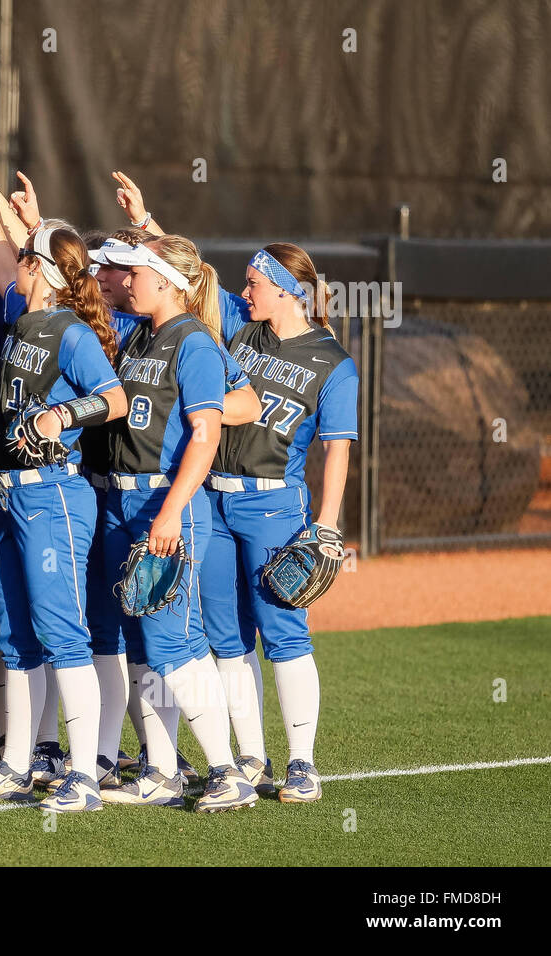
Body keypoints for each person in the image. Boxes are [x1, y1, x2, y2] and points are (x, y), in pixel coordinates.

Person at [0, 163, 128, 813]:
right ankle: (19, 759)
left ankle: (83, 774)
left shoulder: (73, 332)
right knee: (17, 637)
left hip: (55, 492)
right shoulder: (21, 314)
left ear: (45, 271)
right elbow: (3, 254)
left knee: (63, 634)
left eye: (29, 257)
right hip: (9, 494)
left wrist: (62, 414)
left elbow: (110, 399)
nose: (16, 262)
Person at [98, 234, 259, 813]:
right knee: (144, 640)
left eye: (139, 271)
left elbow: (207, 433)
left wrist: (169, 512)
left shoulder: (192, 340)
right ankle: (162, 772)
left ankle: (227, 771)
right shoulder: (143, 331)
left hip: (167, 503)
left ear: (166, 280)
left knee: (175, 640)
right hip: (124, 502)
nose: (128, 280)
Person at [199, 242, 358, 804]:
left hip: (274, 508)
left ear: (288, 291)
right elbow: (185, 273)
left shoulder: (334, 362)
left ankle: (302, 763)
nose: (245, 293)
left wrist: (328, 524)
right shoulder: (243, 326)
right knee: (226, 637)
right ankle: (250, 757)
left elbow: (337, 450)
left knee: (284, 633)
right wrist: (145, 221)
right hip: (214, 500)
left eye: (254, 283)